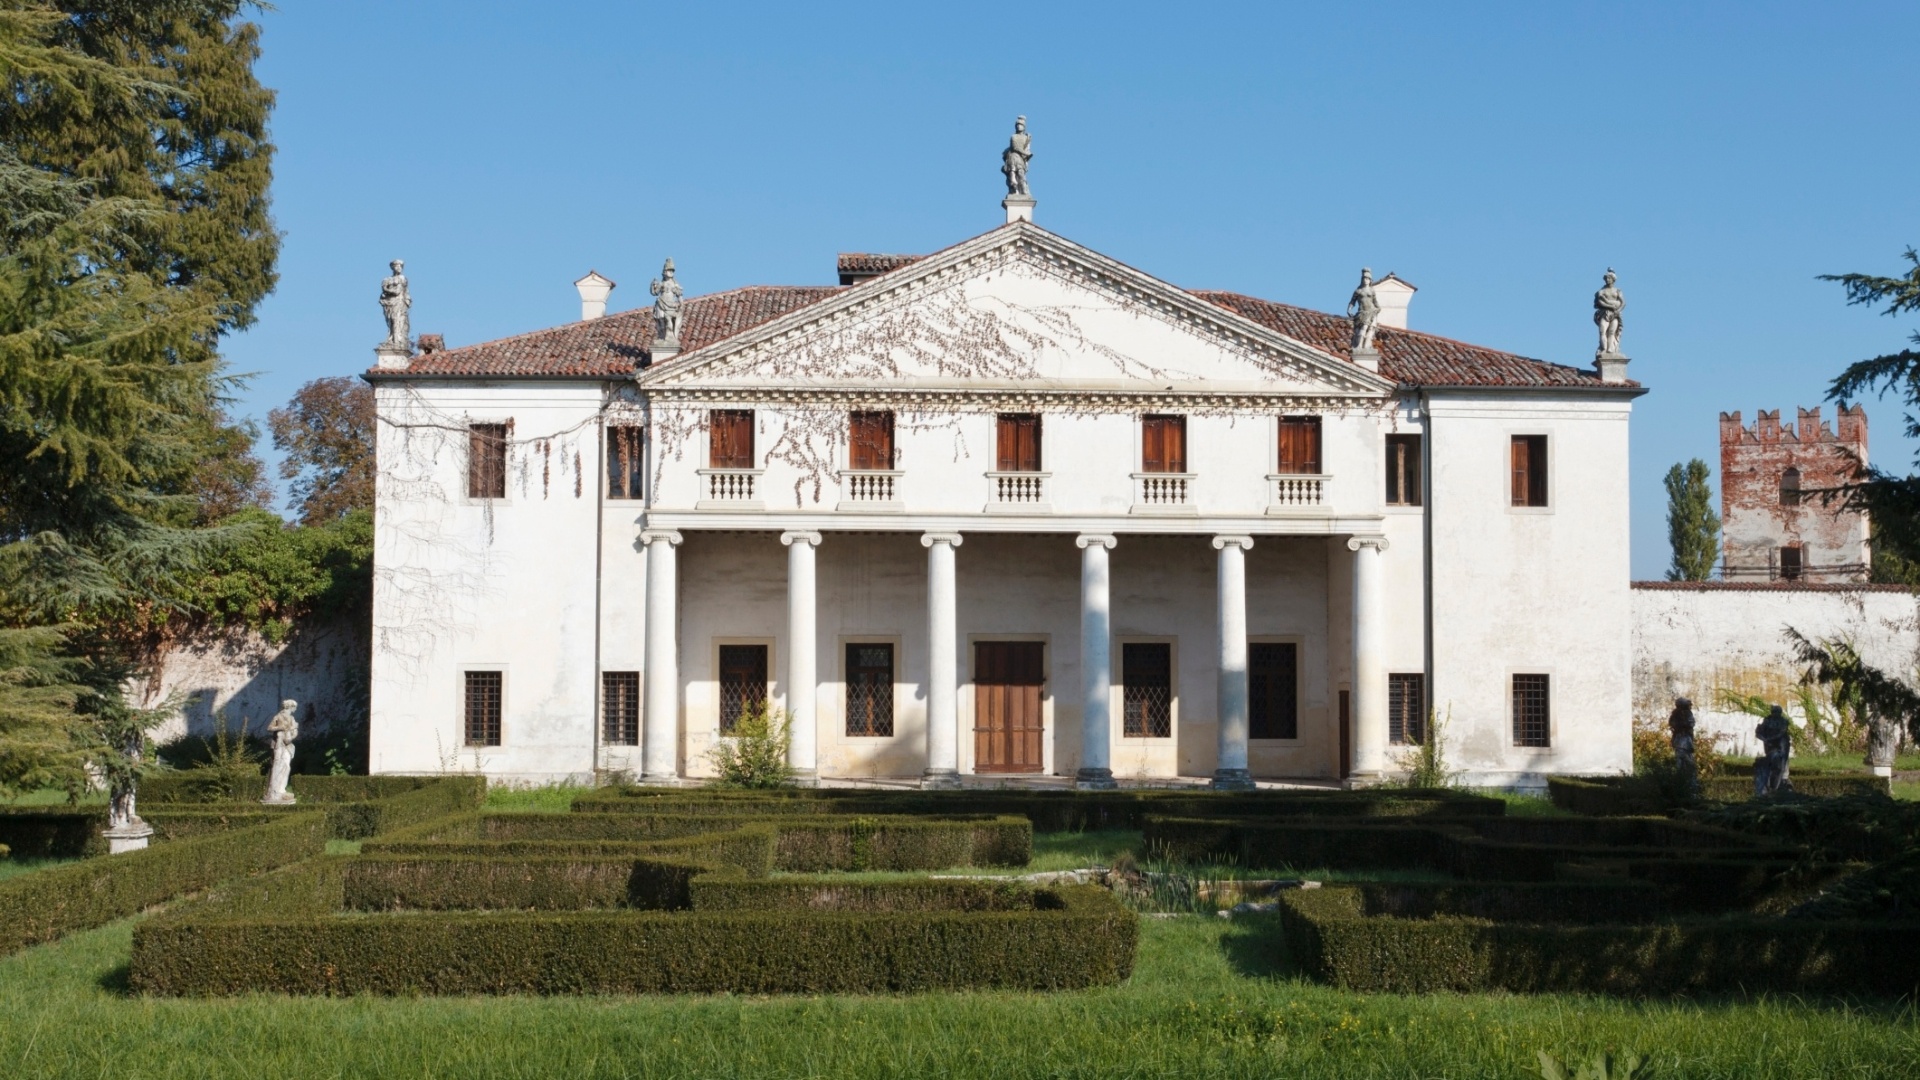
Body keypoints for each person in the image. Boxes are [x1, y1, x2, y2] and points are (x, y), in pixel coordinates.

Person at [264, 699, 299, 805]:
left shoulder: (292, 718)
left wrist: (291, 738)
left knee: (286, 766)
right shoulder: (278, 716)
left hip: (287, 744)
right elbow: (269, 728)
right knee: (277, 765)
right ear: (290, 707)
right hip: (279, 744)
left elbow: (295, 731)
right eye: (294, 707)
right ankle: (274, 791)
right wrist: (280, 727)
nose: (295, 709)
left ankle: (282, 790)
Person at [650, 258, 684, 342]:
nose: (671, 272)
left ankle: (670, 337)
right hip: (661, 303)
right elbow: (655, 292)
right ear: (665, 272)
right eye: (669, 270)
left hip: (671, 305)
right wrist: (653, 285)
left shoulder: (675, 284)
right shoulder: (662, 283)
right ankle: (662, 336)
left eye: (672, 271)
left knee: (669, 320)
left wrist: (681, 304)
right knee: (661, 320)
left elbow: (679, 295)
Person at [1348, 268, 1381, 352]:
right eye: (1364, 278)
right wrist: (1349, 310)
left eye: (1367, 279)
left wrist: (1377, 309)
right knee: (1362, 329)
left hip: (1371, 312)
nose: (1366, 280)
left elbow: (1376, 303)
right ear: (1362, 280)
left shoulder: (1372, 291)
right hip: (1362, 312)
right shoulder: (1358, 291)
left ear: (1370, 280)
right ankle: (1359, 345)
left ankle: (1366, 345)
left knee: (1369, 329)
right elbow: (1352, 302)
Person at [1593, 268, 1625, 356]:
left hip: (1615, 314)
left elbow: (1623, 303)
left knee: (1612, 332)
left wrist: (1617, 310)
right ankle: (1604, 349)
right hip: (1604, 313)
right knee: (1602, 331)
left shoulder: (1617, 291)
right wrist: (1611, 305)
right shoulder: (1601, 291)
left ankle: (1611, 350)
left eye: (1609, 278)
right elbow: (1600, 302)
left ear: (1613, 279)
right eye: (1606, 278)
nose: (1607, 280)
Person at [379, 259, 410, 347]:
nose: (399, 268)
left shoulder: (402, 278)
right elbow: (385, 289)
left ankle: (397, 340)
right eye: (397, 266)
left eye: (401, 266)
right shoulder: (387, 279)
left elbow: (401, 291)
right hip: (390, 302)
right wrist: (390, 291)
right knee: (391, 320)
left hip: (399, 302)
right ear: (393, 268)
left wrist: (387, 289)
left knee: (398, 319)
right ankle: (392, 338)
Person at [1002, 116, 1032, 197]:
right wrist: (1025, 153)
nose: (1019, 126)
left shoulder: (1026, 137)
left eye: (1021, 125)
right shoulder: (1013, 136)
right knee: (1013, 172)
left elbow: (1027, 149)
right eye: (1017, 125)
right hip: (1013, 157)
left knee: (1021, 174)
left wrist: (1028, 155)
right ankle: (1014, 188)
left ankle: (1023, 191)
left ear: (1024, 127)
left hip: (1021, 159)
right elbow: (1015, 147)